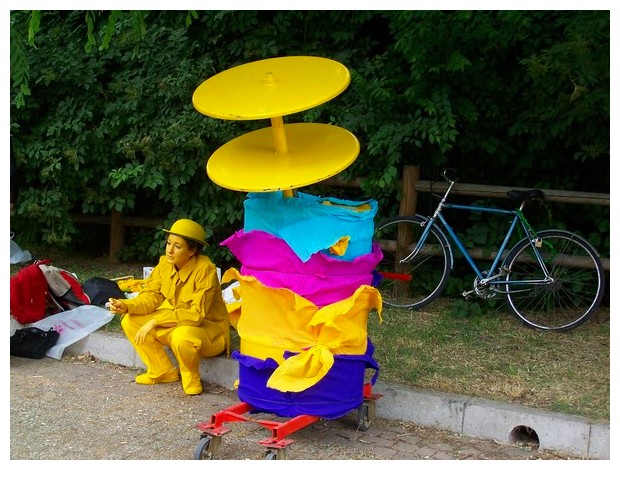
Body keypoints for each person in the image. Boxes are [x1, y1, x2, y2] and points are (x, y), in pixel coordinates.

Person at [108, 219, 230, 395]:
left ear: (192, 251)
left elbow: (196, 315)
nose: (170, 250)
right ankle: (162, 371)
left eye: (177, 246)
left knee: (182, 336)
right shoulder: (165, 264)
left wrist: (156, 321)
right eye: (169, 243)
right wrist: (126, 305)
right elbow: (152, 295)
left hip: (209, 331)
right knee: (130, 321)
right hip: (177, 322)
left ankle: (191, 377)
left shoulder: (205, 270)